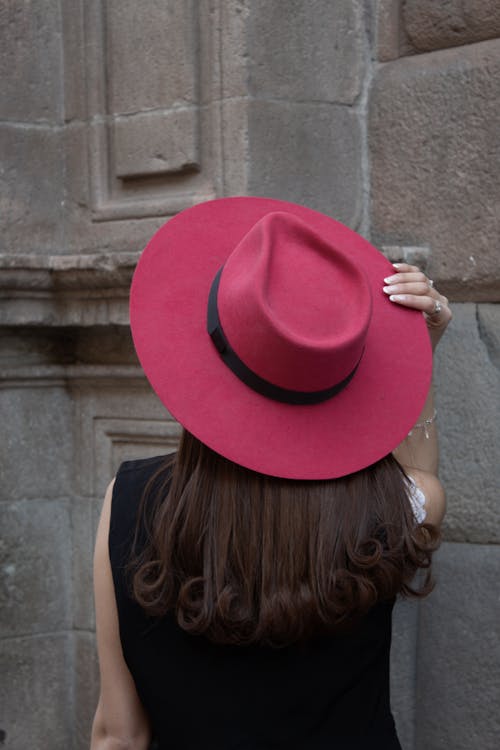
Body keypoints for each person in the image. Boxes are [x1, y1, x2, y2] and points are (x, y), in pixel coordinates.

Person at [90, 197, 451, 750]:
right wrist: (418, 357)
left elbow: (119, 734)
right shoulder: (403, 504)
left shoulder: (128, 500)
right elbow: (419, 472)